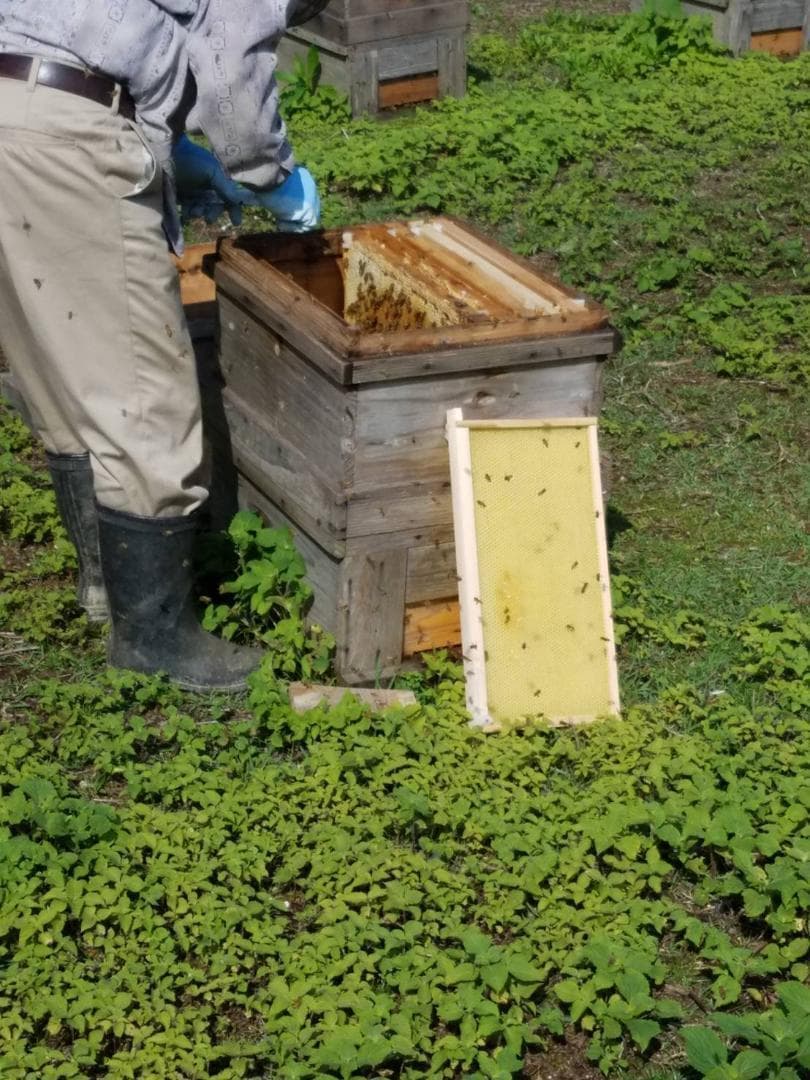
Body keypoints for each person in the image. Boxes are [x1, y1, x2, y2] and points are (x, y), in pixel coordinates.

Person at [0, 0, 329, 691]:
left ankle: (103, 587)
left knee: (58, 358)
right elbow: (235, 97)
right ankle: (155, 638)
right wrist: (274, 177)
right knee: (145, 391)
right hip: (66, 132)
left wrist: (168, 148)